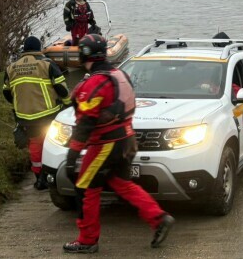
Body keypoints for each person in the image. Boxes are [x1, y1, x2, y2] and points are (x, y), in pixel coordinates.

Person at [63, 34, 175, 253]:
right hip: (126, 139)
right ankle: (158, 217)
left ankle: (87, 240)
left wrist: (73, 154)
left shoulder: (95, 82)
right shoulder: (119, 74)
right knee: (122, 184)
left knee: (86, 189)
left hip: (104, 144)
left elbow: (86, 121)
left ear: (84, 54)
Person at [3, 36, 70, 189]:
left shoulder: (11, 67)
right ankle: (52, 175)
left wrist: (19, 105)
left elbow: (6, 92)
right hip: (48, 114)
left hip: (25, 117)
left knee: (34, 144)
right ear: (39, 49)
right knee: (52, 143)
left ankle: (39, 178)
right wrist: (68, 104)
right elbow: (62, 88)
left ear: (24, 50)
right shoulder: (47, 65)